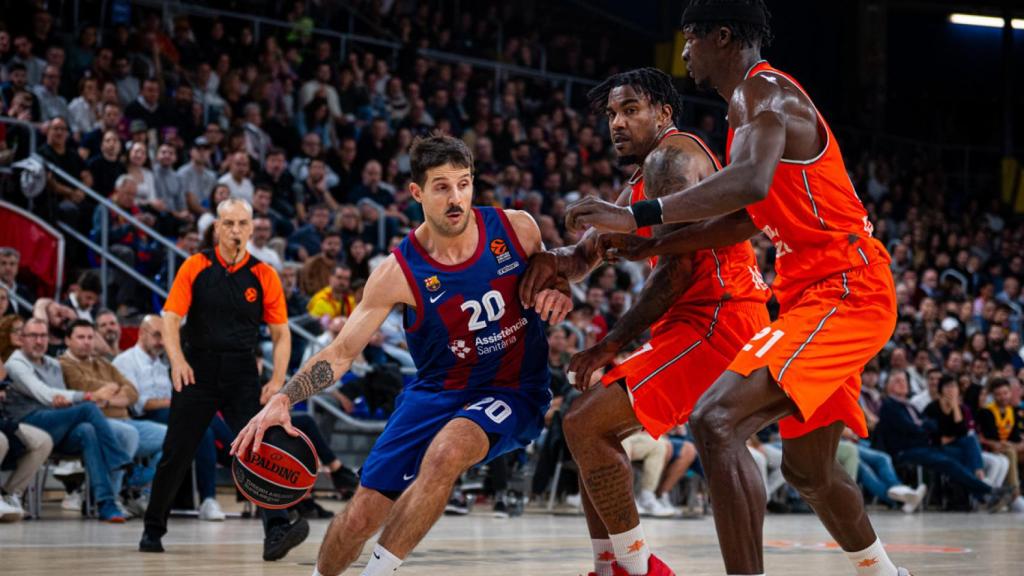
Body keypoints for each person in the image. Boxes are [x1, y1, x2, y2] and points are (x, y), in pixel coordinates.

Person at [563, 2, 913, 573]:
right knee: (808, 471)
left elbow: (746, 183)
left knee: (716, 420)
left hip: (844, 288)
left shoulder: (763, 93)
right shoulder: (742, 113)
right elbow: (750, 215)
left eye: (690, 39)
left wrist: (637, 217)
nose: (683, 52)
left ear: (721, 36)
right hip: (808, 294)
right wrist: (652, 244)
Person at [231, 135, 572, 576]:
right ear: (417, 192)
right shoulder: (397, 272)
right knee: (359, 517)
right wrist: (283, 399)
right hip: (436, 393)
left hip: (514, 388)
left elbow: (555, 276)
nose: (456, 198)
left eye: (464, 184)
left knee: (449, 451)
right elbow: (340, 352)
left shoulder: (517, 228)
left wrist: (558, 291)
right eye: (442, 187)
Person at [519, 67, 768, 576]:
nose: (617, 122)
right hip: (696, 318)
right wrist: (554, 260)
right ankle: (610, 566)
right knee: (586, 427)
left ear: (663, 114)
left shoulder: (670, 159)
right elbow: (596, 251)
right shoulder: (644, 174)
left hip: (719, 316)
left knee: (586, 422)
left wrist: (607, 345)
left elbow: (676, 270)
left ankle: (636, 570)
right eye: (612, 113)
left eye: (630, 109)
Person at [138, 198, 305, 560]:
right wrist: (177, 360)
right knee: (176, 452)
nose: (236, 231)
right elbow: (169, 318)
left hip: (242, 372)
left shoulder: (263, 274)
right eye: (228, 223)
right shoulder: (195, 266)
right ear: (216, 228)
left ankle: (276, 529)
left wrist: (278, 381)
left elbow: (281, 333)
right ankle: (153, 529)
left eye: (243, 224)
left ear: (251, 227)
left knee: (259, 449)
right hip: (196, 370)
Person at [4, 318, 132, 522]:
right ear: (21, 339)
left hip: (55, 425)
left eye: (43, 336)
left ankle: (106, 504)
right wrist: (88, 396)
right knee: (88, 408)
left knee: (87, 431)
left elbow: (61, 399)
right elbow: (45, 394)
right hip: (27, 424)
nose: (39, 341)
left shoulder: (53, 364)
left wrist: (67, 400)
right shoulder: (16, 363)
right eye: (33, 336)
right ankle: (119, 460)